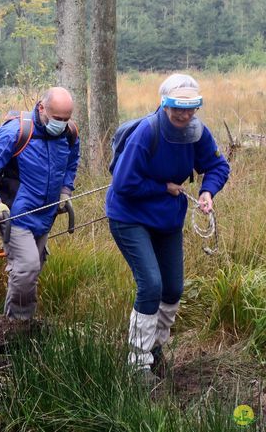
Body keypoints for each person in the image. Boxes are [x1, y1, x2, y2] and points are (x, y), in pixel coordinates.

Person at [106, 73, 230, 384]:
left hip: (167, 221)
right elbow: (123, 185)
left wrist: (207, 191)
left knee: (173, 289)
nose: (185, 115)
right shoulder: (147, 133)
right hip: (129, 217)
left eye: (191, 109)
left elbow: (217, 166)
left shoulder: (197, 133)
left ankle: (155, 349)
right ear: (165, 104)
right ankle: (136, 365)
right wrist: (163, 188)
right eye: (178, 109)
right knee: (151, 285)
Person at [0, 87, 80, 321]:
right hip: (14, 212)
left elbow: (71, 162)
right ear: (42, 108)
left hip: (45, 214)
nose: (60, 124)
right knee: (27, 267)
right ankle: (17, 326)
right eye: (56, 118)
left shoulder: (69, 133)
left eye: (65, 119)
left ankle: (16, 320)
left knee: (34, 267)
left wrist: (65, 191)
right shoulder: (17, 131)